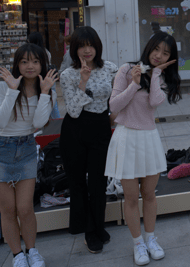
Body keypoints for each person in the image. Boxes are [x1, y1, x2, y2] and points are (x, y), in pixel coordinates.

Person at [0, 43, 58, 267]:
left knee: (25, 208)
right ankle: (17, 255)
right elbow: (0, 121)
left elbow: (38, 123)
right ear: (17, 64)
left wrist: (45, 93)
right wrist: (12, 91)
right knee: (8, 209)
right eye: (24, 61)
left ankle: (32, 251)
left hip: (26, 148)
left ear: (43, 64)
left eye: (35, 61)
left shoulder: (47, 90)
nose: (30, 66)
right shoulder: (2, 87)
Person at [106, 32, 180, 265]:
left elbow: (155, 102)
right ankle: (138, 243)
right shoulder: (127, 70)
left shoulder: (162, 77)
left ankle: (150, 239)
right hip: (126, 137)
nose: (159, 55)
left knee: (149, 193)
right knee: (130, 197)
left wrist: (155, 74)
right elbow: (114, 105)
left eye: (165, 53)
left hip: (149, 138)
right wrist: (135, 84)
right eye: (156, 49)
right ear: (148, 48)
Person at [59, 26, 118, 253]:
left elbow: (117, 97)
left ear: (97, 46)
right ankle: (89, 231)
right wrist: (83, 82)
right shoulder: (68, 74)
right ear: (74, 49)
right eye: (82, 46)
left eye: (91, 45)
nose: (87, 50)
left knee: (98, 182)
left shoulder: (110, 68)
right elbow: (73, 111)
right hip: (75, 130)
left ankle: (98, 226)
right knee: (78, 184)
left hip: (101, 127)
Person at [28, 32, 60, 119]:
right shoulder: (46, 51)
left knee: (40, 100)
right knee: (53, 101)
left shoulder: (33, 53)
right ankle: (57, 120)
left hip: (40, 79)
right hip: (49, 78)